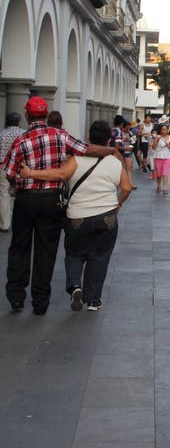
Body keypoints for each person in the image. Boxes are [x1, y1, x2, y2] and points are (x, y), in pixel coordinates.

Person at [2, 96, 118, 314]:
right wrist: (112, 151)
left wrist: (17, 183)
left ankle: (17, 295)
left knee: (19, 246)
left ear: (27, 116)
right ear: (45, 115)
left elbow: (9, 171)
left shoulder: (21, 140)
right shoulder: (60, 136)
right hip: (51, 198)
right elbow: (87, 149)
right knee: (46, 250)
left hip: (26, 199)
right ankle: (40, 301)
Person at [19, 119, 132, 312]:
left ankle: (74, 286)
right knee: (100, 257)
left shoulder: (76, 159)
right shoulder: (114, 162)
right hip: (107, 216)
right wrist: (118, 203)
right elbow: (127, 187)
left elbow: (60, 175)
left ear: (88, 137)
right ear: (108, 140)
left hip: (77, 217)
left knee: (74, 254)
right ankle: (93, 300)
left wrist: (31, 172)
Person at [0, 112, 24, 231]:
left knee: (4, 194)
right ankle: (17, 219)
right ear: (18, 122)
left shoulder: (2, 134)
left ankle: (5, 224)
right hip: (19, 168)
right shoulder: (23, 134)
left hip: (3, 167)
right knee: (18, 193)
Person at [152, 124, 170, 194]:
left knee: (165, 172)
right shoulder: (157, 137)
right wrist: (157, 140)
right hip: (158, 156)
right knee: (158, 173)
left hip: (167, 157)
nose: (164, 131)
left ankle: (165, 187)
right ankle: (158, 185)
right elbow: (153, 147)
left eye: (165, 129)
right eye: (162, 129)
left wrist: (167, 144)